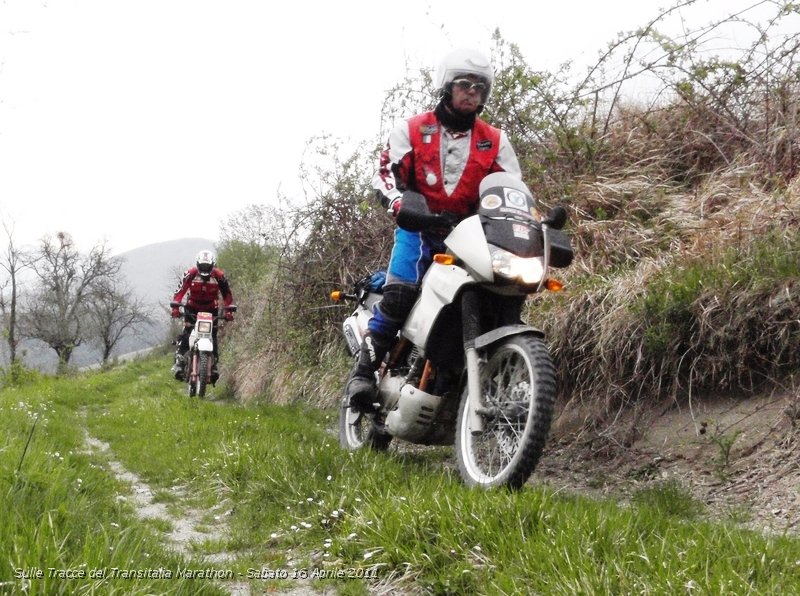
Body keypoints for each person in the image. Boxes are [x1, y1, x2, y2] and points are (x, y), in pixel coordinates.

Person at [346, 47, 523, 411]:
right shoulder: (411, 129)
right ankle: (362, 373)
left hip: (472, 234)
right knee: (399, 295)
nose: (472, 92)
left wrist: (532, 219)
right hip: (419, 227)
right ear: (446, 86)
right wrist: (402, 204)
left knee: (501, 292)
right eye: (464, 84)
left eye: (479, 87)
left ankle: (475, 378)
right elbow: (385, 177)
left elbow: (514, 189)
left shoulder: (495, 140)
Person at [170, 249, 235, 380]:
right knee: (187, 332)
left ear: (212, 265)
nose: (205, 269)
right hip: (192, 308)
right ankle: (180, 361)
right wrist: (175, 306)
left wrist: (229, 311)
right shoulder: (191, 273)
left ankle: (213, 363)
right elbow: (180, 290)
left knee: (213, 335)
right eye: (202, 266)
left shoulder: (219, 276)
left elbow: (227, 294)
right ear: (198, 264)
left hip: (211, 310)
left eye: (207, 266)